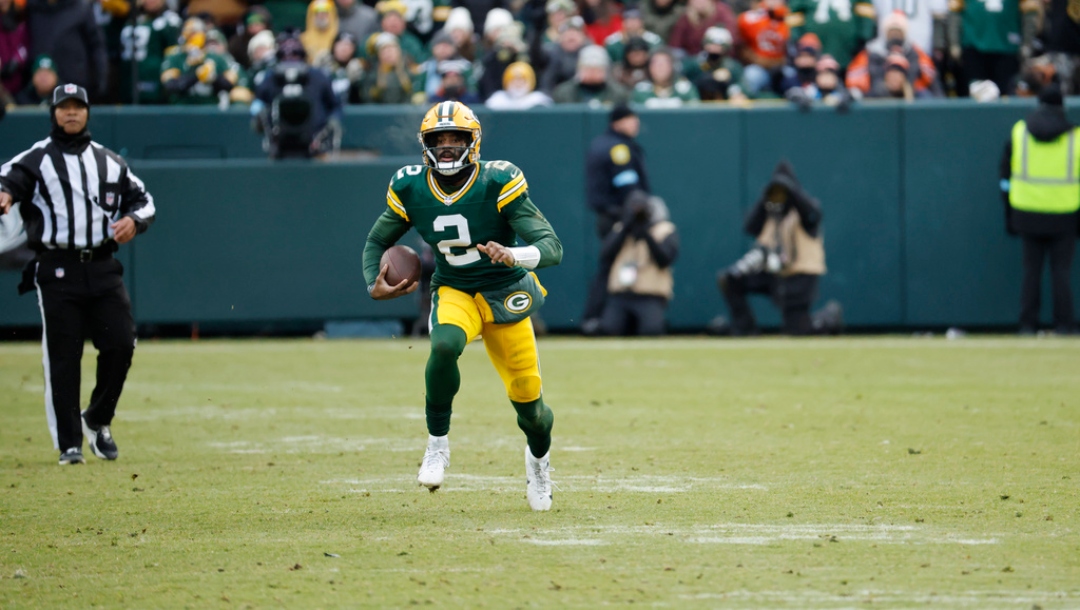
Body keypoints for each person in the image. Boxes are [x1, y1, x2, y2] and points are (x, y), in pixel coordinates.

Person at [361, 101, 563, 511]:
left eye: (457, 139)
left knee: (532, 409)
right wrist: (374, 283)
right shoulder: (410, 186)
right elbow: (375, 242)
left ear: (474, 143)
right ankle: (437, 444)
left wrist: (513, 254)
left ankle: (539, 463)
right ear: (426, 144)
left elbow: (552, 247)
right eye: (440, 139)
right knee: (444, 345)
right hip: (455, 289)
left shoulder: (497, 180)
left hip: (504, 292)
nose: (448, 147)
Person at [0, 84, 156, 465]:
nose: (71, 113)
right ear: (52, 112)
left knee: (121, 343)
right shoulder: (37, 158)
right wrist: (4, 195)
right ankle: (69, 443)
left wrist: (134, 221)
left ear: (87, 112)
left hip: (103, 265)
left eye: (78, 106)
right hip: (57, 266)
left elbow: (144, 200)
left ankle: (98, 419)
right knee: (64, 356)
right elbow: (8, 179)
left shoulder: (109, 162)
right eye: (64, 107)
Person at [714, 161, 842, 336]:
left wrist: (789, 189)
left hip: (800, 277)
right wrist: (767, 196)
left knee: (797, 331)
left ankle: (829, 318)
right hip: (776, 274)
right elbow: (750, 227)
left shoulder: (804, 209)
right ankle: (745, 328)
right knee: (729, 279)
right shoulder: (772, 212)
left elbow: (814, 215)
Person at [1000, 84, 1078, 335]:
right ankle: (1064, 325)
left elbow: (1005, 176)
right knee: (1061, 272)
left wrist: (1009, 213)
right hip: (1064, 211)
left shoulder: (1019, 132)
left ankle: (1027, 325)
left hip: (1027, 210)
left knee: (1031, 271)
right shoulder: (1075, 137)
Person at [581, 103, 650, 334]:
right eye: (631, 119)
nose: (636, 123)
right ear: (618, 122)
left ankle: (605, 318)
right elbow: (627, 186)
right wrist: (636, 214)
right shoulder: (618, 148)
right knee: (610, 267)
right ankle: (594, 318)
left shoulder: (601, 144)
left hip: (608, 217)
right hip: (619, 218)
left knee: (612, 267)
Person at [598, 191, 679, 336]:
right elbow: (606, 255)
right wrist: (626, 227)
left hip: (649, 294)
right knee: (609, 330)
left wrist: (646, 234)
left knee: (651, 331)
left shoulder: (664, 230)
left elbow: (665, 260)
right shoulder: (620, 228)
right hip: (620, 294)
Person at [26, 0, 108, 99]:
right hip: (37, 91)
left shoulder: (81, 8)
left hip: (75, 86)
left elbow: (96, 45)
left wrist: (100, 78)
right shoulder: (32, 8)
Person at [551, 43, 630, 104]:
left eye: (597, 68)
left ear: (605, 70)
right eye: (588, 68)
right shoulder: (563, 93)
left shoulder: (619, 94)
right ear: (579, 69)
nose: (592, 73)